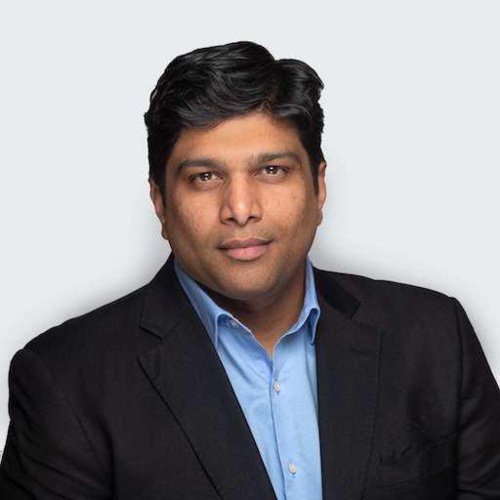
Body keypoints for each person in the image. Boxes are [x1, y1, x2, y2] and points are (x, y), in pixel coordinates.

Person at [1, 41, 499, 500]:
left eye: (272, 170)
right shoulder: (65, 380)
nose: (240, 209)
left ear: (319, 187)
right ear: (160, 202)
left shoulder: (436, 336)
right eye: (205, 177)